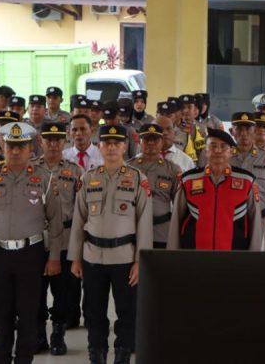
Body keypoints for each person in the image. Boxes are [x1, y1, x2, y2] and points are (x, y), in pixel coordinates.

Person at [0, 122, 63, 364]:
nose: (14, 152)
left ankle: (24, 359)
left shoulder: (43, 178)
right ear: (3, 146)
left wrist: (54, 257)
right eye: (10, 146)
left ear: (30, 147)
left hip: (31, 255)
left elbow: (54, 220)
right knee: (0, 316)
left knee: (28, 314)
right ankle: (0, 359)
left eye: (20, 146)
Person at [68, 124, 153, 364]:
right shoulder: (88, 178)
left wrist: (140, 261)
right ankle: (97, 353)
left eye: (117, 143)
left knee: (127, 311)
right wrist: (75, 258)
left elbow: (144, 223)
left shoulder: (137, 178)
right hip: (93, 256)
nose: (112, 147)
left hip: (125, 257)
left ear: (125, 147)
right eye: (107, 143)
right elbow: (78, 220)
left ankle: (123, 354)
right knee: (94, 311)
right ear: (100, 147)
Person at [32, 122, 85, 355]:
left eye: (58, 139)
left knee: (63, 293)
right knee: (35, 292)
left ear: (65, 142)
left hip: (65, 239)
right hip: (35, 240)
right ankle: (38, 335)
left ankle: (57, 335)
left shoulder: (76, 172)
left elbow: (82, 212)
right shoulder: (29, 169)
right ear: (40, 142)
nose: (53, 144)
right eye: (48, 139)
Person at [167, 129, 262, 251]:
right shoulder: (188, 180)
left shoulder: (247, 181)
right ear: (205, 151)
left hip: (235, 257)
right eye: (213, 146)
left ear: (231, 151)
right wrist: (173, 256)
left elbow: (255, 224)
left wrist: (253, 260)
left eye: (223, 146)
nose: (218, 150)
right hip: (194, 255)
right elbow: (176, 221)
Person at [127, 123, 182, 249]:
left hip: (161, 231)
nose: (151, 143)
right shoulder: (128, 168)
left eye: (155, 139)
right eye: (146, 139)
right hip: (133, 229)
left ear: (162, 142)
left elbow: (179, 203)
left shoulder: (173, 169)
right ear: (139, 142)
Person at [229, 112, 265, 218]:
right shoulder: (225, 158)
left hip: (261, 219)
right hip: (231, 219)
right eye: (239, 129)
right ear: (232, 131)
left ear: (254, 131)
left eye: (248, 129)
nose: (244, 133)